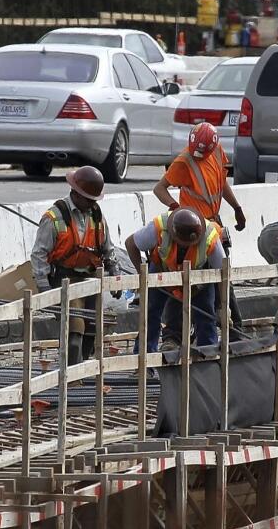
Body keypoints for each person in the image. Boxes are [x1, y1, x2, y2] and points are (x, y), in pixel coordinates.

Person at [152, 122, 245, 342]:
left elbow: (221, 184)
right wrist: (176, 209)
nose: (197, 155)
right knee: (185, 282)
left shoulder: (216, 153)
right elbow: (159, 189)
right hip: (191, 230)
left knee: (221, 279)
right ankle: (174, 336)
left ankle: (233, 333)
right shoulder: (184, 161)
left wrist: (237, 208)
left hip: (212, 228)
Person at [30, 166, 121, 364]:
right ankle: (71, 377)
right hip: (65, 281)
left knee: (92, 329)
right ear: (76, 193)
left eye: (93, 200)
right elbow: (39, 255)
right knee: (74, 333)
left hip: (91, 281)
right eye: (88, 199)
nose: (91, 204)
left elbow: (108, 248)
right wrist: (44, 288)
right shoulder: (54, 217)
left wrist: (115, 273)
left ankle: (83, 372)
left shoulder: (96, 216)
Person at [125, 208, 225, 349]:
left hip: (199, 274)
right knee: (150, 313)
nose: (184, 246)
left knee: (206, 315)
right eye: (181, 243)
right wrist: (142, 276)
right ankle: (145, 358)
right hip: (162, 270)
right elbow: (131, 244)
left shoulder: (210, 237)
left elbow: (223, 273)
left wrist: (222, 307)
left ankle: (208, 356)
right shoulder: (158, 227)